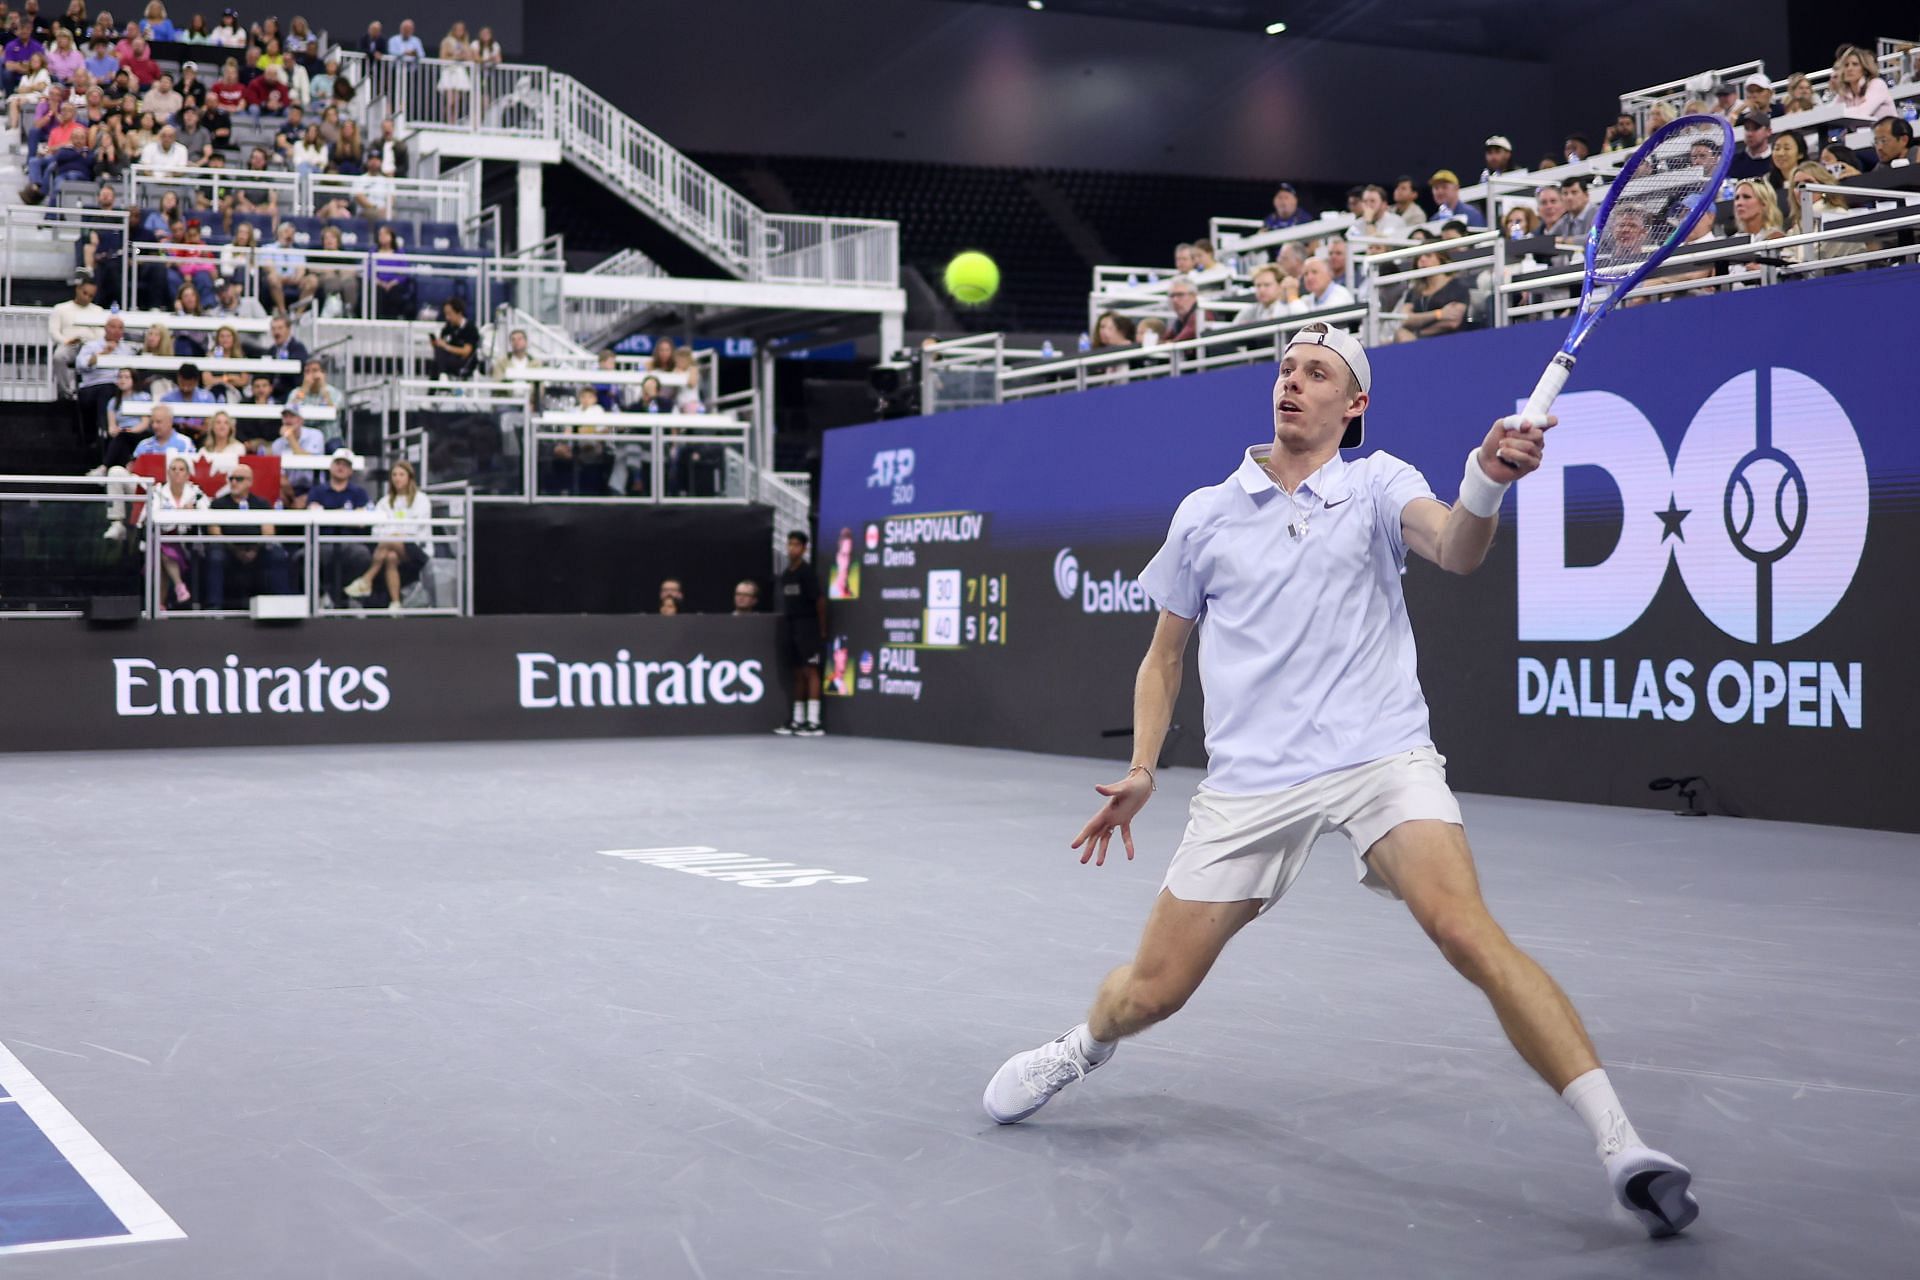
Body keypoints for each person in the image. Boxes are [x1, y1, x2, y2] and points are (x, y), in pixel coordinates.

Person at [979, 320, 1699, 1241]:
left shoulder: (1377, 484)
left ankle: (1625, 1148)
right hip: (1251, 784)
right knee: (1150, 994)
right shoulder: (1206, 511)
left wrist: (1487, 477)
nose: (1293, 384)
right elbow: (1164, 659)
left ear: (1354, 404)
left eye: (1318, 374)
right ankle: (1081, 1049)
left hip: (1378, 757)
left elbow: (1457, 548)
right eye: (1285, 369)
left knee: (1464, 931)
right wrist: (1142, 767)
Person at [343, 459, 431, 611]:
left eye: (401, 474)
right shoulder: (384, 502)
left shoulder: (421, 500)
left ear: (410, 477)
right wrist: (394, 534)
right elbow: (376, 531)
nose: (397, 478)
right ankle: (396, 603)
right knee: (390, 557)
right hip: (390, 547)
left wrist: (396, 534)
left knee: (391, 541)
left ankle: (366, 580)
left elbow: (416, 528)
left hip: (417, 549)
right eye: (394, 475)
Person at [202, 461, 289, 606]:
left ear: (249, 482)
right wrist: (236, 551)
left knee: (277, 553)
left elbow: (269, 533)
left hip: (257, 550)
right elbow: (214, 533)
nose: (234, 482)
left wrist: (254, 550)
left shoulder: (262, 504)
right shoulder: (218, 504)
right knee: (216, 554)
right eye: (231, 479)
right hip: (228, 550)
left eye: (239, 479)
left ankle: (282, 606)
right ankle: (214, 608)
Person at [303, 448, 371, 607]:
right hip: (321, 542)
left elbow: (361, 520)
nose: (341, 467)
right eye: (338, 463)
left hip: (350, 542)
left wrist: (327, 514)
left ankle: (344, 595)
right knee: (304, 557)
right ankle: (319, 596)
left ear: (351, 471)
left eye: (345, 465)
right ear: (331, 466)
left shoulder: (359, 492)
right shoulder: (318, 491)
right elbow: (313, 515)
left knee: (363, 556)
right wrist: (347, 514)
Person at [773, 530, 825, 736]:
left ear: (804, 549)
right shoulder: (786, 575)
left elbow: (820, 601)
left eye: (796, 545)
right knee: (797, 672)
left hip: (809, 626)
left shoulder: (807, 573)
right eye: (789, 544)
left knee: (810, 671)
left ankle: (814, 721)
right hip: (792, 627)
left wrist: (822, 629)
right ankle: (798, 720)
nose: (791, 548)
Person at [144, 451, 202, 607]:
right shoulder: (157, 492)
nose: (177, 472)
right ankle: (178, 586)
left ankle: (158, 606)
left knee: (161, 553)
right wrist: (179, 513)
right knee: (161, 550)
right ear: (168, 473)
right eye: (173, 469)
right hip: (161, 538)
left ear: (188, 474)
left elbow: (205, 512)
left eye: (181, 469)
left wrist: (193, 510)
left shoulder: (197, 493)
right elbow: (152, 515)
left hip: (186, 543)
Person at [74, 312, 131, 448]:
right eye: (113, 327)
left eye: (120, 328)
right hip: (92, 387)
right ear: (105, 328)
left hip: (118, 388)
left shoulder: (127, 350)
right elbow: (80, 365)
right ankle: (104, 433)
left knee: (113, 389)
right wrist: (102, 355)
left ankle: (111, 434)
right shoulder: (91, 346)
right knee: (107, 389)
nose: (117, 331)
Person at [49, 268, 106, 397]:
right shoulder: (61, 308)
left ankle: (92, 389)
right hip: (68, 343)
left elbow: (101, 334)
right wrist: (66, 341)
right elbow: (54, 332)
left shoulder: (98, 310)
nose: (87, 298)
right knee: (58, 356)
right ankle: (66, 392)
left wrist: (94, 345)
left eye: (91, 296)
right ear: (78, 289)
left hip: (90, 345)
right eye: (85, 293)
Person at [1393, 247, 1471, 341]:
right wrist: (1439, 314)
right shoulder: (1414, 290)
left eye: (1428, 255)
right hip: (1418, 341)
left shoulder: (1457, 286)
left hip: (1451, 340)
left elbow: (1453, 322)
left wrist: (1420, 332)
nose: (1422, 259)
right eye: (1419, 257)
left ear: (1441, 259)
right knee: (1401, 333)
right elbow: (1405, 319)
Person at [1831, 44, 1894, 121]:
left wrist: (1840, 113)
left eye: (1855, 64)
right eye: (1846, 65)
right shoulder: (1845, 92)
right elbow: (1830, 113)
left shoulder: (1877, 84)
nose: (1849, 68)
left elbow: (1863, 112)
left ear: (1864, 69)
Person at [1282, 256, 1355, 317]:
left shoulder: (1341, 295)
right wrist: (1284, 297)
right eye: (1306, 274)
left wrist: (1292, 297)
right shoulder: (1307, 299)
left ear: (1329, 274)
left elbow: (1313, 325)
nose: (1309, 277)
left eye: (1314, 272)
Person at [429, 297, 479, 379]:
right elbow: (442, 347)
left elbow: (466, 352)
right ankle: (442, 376)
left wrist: (446, 347)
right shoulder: (448, 327)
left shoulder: (470, 328)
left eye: (449, 314)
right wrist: (436, 344)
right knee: (437, 359)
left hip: (464, 362)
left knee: (437, 363)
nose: (447, 317)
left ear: (459, 313)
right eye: (445, 314)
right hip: (447, 360)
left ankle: (442, 377)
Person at [1727, 110, 1774, 181]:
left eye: (1755, 128)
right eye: (1747, 128)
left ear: (1768, 131)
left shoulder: (1777, 160)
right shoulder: (1733, 161)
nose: (1749, 134)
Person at [1163, 276, 1200, 343]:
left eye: (1180, 295)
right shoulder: (1179, 321)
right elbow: (1166, 339)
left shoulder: (1202, 313)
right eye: (1172, 296)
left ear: (1193, 296)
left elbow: (1183, 338)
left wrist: (1169, 343)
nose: (1175, 300)